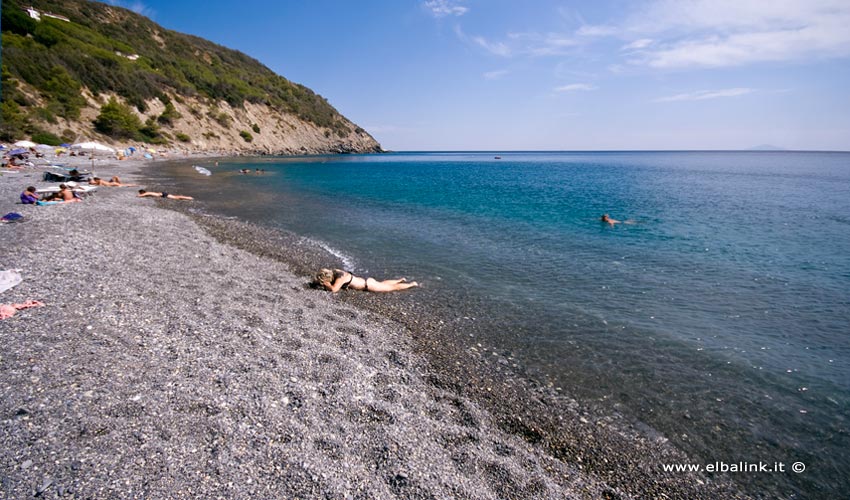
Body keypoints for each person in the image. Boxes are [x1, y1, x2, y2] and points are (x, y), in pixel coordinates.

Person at [315, 268, 418, 293]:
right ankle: (400, 279)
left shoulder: (340, 278)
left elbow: (333, 290)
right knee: (383, 283)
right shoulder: (335, 271)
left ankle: (411, 284)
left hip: (368, 286)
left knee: (393, 288)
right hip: (366, 281)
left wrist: (327, 284)